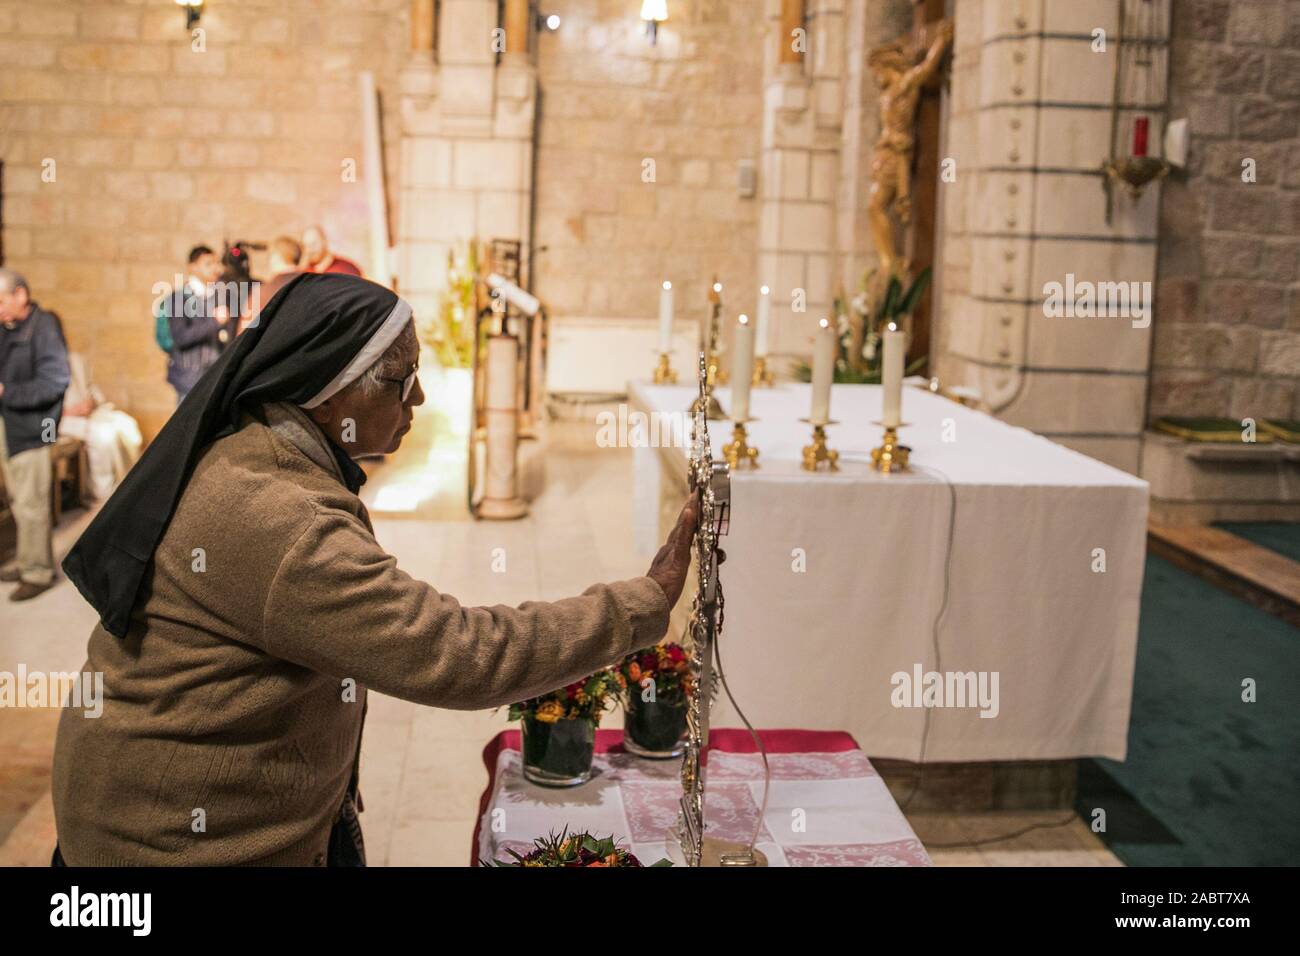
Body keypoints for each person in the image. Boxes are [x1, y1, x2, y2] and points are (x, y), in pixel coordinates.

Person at [51, 273, 698, 866]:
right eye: (400, 379)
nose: (418, 397)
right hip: (171, 845)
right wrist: (643, 603)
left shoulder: (261, 447)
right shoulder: (282, 520)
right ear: (331, 397)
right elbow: (458, 652)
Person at [0, 268, 71, 602]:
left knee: (32, 503)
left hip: (33, 428)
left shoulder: (44, 327)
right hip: (10, 426)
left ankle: (38, 572)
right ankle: (27, 560)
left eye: (1, 299)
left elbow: (55, 381)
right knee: (19, 499)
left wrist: (6, 392)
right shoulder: (7, 327)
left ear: (20, 295)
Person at [59, 352, 143, 500]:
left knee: (126, 423)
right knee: (102, 434)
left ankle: (128, 480)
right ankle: (104, 489)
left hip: (87, 415)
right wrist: (69, 411)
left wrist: (90, 402)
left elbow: (92, 390)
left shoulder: (75, 360)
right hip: (51, 423)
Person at [163, 245, 229, 405]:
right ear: (192, 267)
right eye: (208, 263)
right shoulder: (179, 298)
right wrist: (214, 321)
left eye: (216, 263)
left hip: (214, 375)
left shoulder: (220, 295)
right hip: (189, 378)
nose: (214, 268)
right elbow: (181, 337)